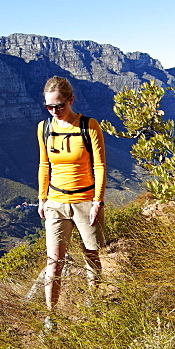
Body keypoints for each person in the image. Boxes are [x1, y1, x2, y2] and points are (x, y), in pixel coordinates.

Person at [37, 76, 106, 317]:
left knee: (91, 254)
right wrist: (42, 198)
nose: (55, 111)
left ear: (71, 100)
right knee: (54, 262)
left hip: (85, 201)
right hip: (56, 202)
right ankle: (51, 315)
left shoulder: (89, 126)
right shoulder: (44, 128)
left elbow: (100, 166)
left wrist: (98, 202)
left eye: (59, 106)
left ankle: (94, 303)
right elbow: (44, 164)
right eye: (49, 107)